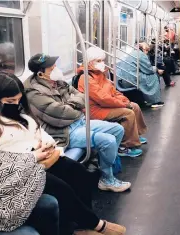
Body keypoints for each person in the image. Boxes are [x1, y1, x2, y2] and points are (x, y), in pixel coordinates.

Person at [0, 72, 127, 235]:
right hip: (20, 173)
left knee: (80, 174)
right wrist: (33, 155)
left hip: (42, 158)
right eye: (10, 102)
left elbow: (41, 134)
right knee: (61, 188)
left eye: (18, 100)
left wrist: (46, 145)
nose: (15, 104)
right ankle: (95, 224)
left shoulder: (21, 116)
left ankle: (80, 227)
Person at [23, 53, 131, 193]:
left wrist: (72, 105)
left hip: (79, 122)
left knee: (117, 129)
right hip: (64, 132)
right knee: (108, 141)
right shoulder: (34, 93)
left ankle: (103, 166)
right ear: (41, 74)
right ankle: (107, 180)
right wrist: (76, 107)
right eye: (51, 68)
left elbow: (81, 96)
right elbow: (61, 113)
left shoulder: (58, 82)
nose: (56, 69)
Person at [77, 47, 147, 157]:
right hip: (95, 110)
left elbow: (113, 91)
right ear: (90, 62)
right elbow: (103, 99)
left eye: (102, 60)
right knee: (127, 113)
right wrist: (124, 104)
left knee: (135, 106)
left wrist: (125, 100)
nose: (102, 63)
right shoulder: (86, 78)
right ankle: (124, 146)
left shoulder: (100, 74)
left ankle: (136, 134)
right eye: (98, 61)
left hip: (106, 106)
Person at [117, 42, 164, 107]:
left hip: (124, 79)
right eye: (147, 50)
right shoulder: (141, 54)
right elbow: (148, 69)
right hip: (132, 78)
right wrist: (156, 69)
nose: (147, 53)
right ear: (145, 49)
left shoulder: (132, 53)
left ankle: (144, 99)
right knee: (153, 76)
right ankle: (154, 101)